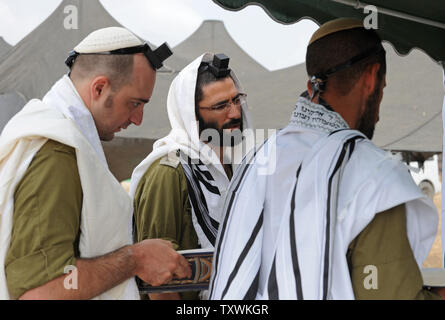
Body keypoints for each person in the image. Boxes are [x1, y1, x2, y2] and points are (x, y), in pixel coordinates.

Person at [209, 18, 445, 300]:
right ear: (371, 78)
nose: (379, 110)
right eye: (382, 88)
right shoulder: (372, 173)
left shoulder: (257, 159)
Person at [0, 27, 191, 300]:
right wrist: (135, 259)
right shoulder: (56, 151)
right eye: (135, 103)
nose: (138, 119)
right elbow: (40, 292)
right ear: (99, 88)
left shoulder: (66, 141)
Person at [130, 53, 253, 300]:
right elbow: (159, 283)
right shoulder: (168, 172)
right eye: (221, 106)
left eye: (236, 100)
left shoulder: (237, 167)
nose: (234, 113)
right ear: (192, 115)